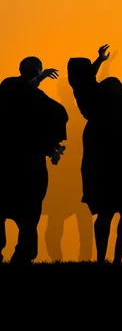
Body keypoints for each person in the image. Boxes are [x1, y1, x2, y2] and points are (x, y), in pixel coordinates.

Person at [68, 45, 122, 264]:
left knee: (107, 213)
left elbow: (86, 79)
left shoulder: (85, 93)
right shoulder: (103, 93)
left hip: (106, 157)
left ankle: (103, 258)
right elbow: (90, 81)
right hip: (117, 155)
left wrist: (99, 60)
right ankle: (114, 259)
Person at [0, 57, 68, 264]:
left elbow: (47, 123)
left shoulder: (41, 100)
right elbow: (21, 97)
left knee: (28, 218)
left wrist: (53, 149)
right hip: (13, 164)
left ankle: (23, 256)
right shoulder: (10, 86)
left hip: (25, 165)